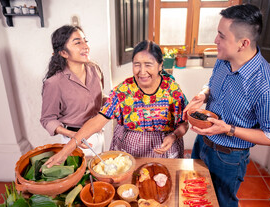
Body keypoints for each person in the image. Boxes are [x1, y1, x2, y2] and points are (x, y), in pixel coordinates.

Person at [183, 4, 270, 207]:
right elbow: (211, 83)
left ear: (243, 43)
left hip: (229, 157)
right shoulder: (224, 59)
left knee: (223, 206)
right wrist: (202, 95)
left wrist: (228, 129)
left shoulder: (267, 87)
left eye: (222, 36)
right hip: (202, 143)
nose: (215, 40)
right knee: (197, 193)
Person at [45, 40, 189, 167]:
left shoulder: (172, 89)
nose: (142, 71)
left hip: (164, 149)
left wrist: (174, 136)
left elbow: (184, 123)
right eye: (137, 65)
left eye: (148, 65)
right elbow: (97, 121)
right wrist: (65, 151)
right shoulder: (123, 90)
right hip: (130, 151)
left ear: (160, 66)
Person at [40, 25, 106, 156]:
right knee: (84, 175)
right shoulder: (54, 83)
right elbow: (47, 119)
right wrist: (73, 136)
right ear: (63, 53)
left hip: (99, 132)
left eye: (85, 41)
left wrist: (115, 101)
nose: (85, 46)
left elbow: (98, 98)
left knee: (101, 171)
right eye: (77, 43)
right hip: (75, 139)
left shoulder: (95, 69)